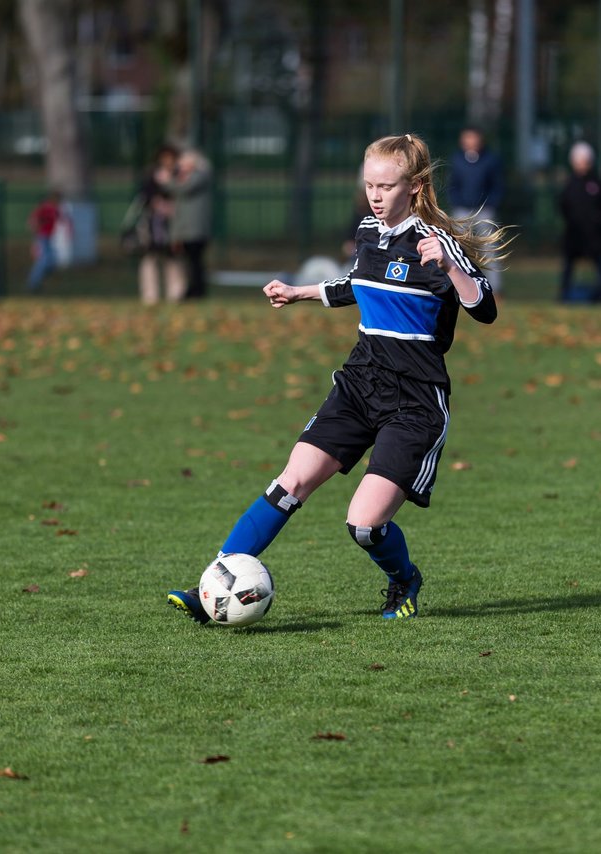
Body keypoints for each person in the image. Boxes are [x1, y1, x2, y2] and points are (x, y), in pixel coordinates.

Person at [167, 133, 510, 623]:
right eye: (369, 184)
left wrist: (451, 267)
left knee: (365, 525)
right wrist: (297, 292)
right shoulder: (369, 231)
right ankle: (214, 585)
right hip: (359, 382)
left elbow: (487, 309)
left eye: (386, 186)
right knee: (290, 483)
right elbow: (355, 284)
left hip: (413, 401)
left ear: (412, 188)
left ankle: (404, 579)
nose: (374, 194)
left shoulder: (437, 245)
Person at [448, 126, 506, 291]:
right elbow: (452, 185)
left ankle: (495, 288)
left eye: (473, 138)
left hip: (485, 211)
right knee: (456, 249)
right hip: (461, 211)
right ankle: (458, 287)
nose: (470, 142)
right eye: (467, 138)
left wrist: (491, 203)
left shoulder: (491, 159)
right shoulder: (456, 159)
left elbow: (498, 185)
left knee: (490, 249)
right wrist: (457, 202)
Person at [558, 141, 601, 303]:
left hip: (595, 235)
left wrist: (596, 221)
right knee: (568, 266)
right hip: (574, 234)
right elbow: (562, 206)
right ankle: (564, 295)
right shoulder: (568, 184)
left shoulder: (598, 183)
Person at [162, 148, 213, 299]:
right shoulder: (188, 178)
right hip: (187, 229)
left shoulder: (199, 176)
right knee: (189, 262)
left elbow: (183, 189)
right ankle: (191, 289)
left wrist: (167, 181)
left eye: (184, 163)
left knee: (195, 261)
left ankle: (196, 291)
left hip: (196, 230)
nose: (181, 166)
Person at [137, 145, 184, 305]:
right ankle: (150, 295)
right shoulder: (152, 174)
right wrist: (157, 204)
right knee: (150, 258)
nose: (168, 161)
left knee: (173, 258)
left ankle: (176, 293)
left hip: (173, 222)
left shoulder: (179, 174)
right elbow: (145, 195)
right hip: (154, 224)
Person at [25, 190, 64, 293]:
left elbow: (62, 220)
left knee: (51, 261)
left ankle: (37, 282)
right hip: (42, 237)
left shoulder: (55, 210)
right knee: (43, 261)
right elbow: (32, 221)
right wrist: (36, 235)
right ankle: (33, 284)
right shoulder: (44, 208)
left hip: (49, 238)